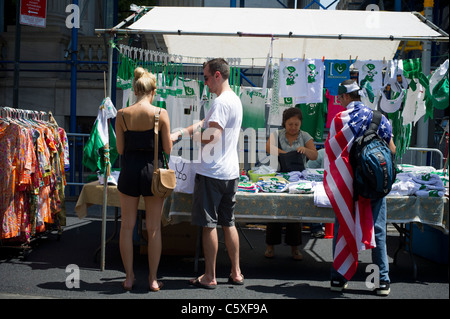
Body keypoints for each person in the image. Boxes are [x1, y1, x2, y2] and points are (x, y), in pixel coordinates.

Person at [171, 58, 244, 289]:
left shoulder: (221, 102)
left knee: (209, 224)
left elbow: (211, 135)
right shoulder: (233, 100)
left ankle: (209, 276)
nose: (204, 82)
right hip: (229, 171)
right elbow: (205, 122)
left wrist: (190, 137)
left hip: (213, 172)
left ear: (217, 76)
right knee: (228, 222)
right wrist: (183, 131)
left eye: (205, 77)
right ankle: (236, 272)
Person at [324, 80, 396, 296]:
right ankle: (381, 281)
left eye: (341, 98)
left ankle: (339, 278)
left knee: (343, 227)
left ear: (345, 97)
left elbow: (332, 153)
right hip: (373, 182)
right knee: (378, 230)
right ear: (359, 95)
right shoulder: (379, 117)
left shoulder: (340, 119)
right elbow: (391, 149)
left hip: (348, 185)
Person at [115, 67, 172, 292]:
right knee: (154, 227)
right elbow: (167, 148)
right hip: (153, 172)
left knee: (127, 227)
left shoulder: (121, 114)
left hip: (128, 171)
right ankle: (153, 279)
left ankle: (128, 277)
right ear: (153, 91)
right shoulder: (160, 113)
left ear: (135, 89)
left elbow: (120, 149)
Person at [265, 107, 318, 260]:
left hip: (298, 179)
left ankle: (295, 248)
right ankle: (270, 246)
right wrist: (285, 154)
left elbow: (314, 155)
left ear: (300, 123)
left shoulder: (305, 136)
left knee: (295, 213)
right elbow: (268, 147)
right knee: (274, 209)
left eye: (296, 124)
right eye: (290, 124)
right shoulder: (278, 134)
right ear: (284, 123)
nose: (293, 127)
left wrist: (304, 150)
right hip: (279, 177)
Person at [306, 148, 326, 238]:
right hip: (310, 177)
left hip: (316, 176)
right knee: (319, 199)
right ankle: (316, 228)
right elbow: (324, 173)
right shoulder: (327, 153)